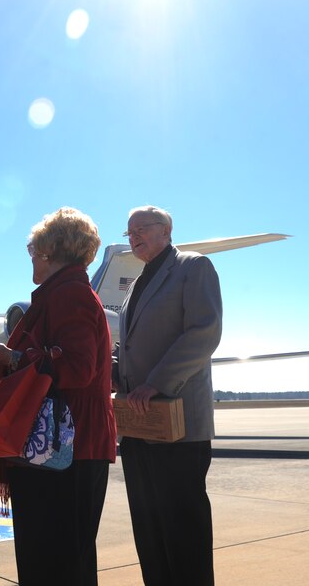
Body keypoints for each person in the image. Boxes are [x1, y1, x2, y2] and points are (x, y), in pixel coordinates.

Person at [0, 207, 117, 586]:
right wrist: (5, 354)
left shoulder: (69, 295)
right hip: (60, 450)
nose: (30, 253)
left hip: (66, 450)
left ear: (50, 251)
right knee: (56, 559)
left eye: (33, 247)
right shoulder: (62, 293)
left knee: (58, 562)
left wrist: (11, 357)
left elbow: (79, 367)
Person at [114, 206, 222, 586]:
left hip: (177, 426)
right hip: (139, 425)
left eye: (143, 228)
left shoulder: (193, 268)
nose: (135, 236)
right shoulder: (136, 284)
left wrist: (156, 383)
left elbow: (203, 333)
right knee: (149, 530)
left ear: (167, 230)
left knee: (182, 531)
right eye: (130, 232)